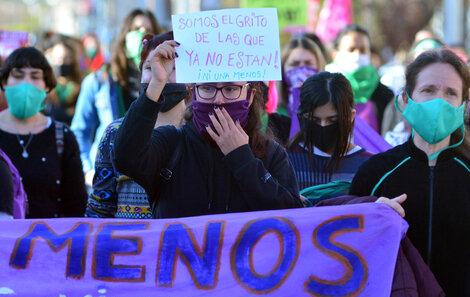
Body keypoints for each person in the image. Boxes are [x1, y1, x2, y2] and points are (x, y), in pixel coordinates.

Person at [113, 39, 303, 218]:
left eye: (230, 89)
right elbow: (124, 157)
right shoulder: (171, 143)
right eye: (207, 88)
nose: (218, 100)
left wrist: (242, 159)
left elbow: (291, 218)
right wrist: (156, 84)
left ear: (250, 96)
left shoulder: (271, 154)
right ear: (193, 92)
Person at [350, 49, 470, 297]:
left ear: (464, 106)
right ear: (405, 100)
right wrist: (371, 209)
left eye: (451, 93)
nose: (439, 101)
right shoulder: (374, 172)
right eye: (428, 90)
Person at [86, 32, 188, 219]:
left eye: (172, 68)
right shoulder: (115, 133)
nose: (161, 75)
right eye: (150, 68)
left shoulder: (199, 132)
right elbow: (99, 210)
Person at [71, 9, 161, 187]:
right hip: (107, 176)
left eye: (149, 29)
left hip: (151, 173)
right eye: (136, 29)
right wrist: (88, 170)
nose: (143, 34)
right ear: (124, 37)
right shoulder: (99, 81)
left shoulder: (166, 80)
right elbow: (80, 131)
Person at [0, 47, 87, 218]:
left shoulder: (62, 136)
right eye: (18, 76)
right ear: (4, 82)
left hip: (51, 242)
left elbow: (76, 204)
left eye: (35, 76)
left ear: (47, 86)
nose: (26, 83)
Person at [288, 72, 372, 203]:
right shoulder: (284, 160)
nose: (323, 126)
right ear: (301, 117)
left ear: (351, 116)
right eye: (314, 119)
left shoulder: (368, 165)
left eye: (332, 120)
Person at [326, 24, 395, 135]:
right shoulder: (324, 89)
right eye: (351, 49)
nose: (357, 54)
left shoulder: (385, 95)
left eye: (363, 50)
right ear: (335, 54)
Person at [273, 36, 326, 144]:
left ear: (319, 66)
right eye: (295, 64)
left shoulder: (328, 108)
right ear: (283, 69)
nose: (302, 69)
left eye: (308, 63)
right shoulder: (274, 114)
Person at [39, 33, 84, 125]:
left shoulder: (81, 85)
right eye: (59, 58)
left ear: (73, 60)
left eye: (66, 58)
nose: (62, 62)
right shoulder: (44, 86)